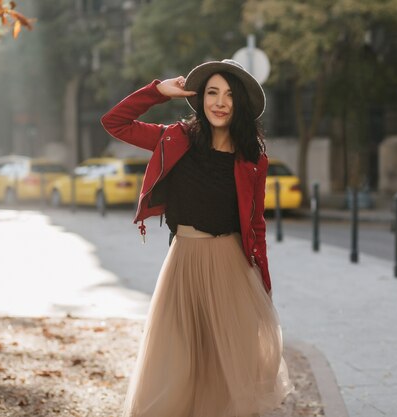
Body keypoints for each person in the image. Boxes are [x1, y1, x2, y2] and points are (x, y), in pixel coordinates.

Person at [101, 59, 292, 417]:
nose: (220, 102)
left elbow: (256, 224)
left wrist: (263, 285)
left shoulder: (253, 158)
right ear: (201, 98)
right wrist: (157, 92)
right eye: (212, 92)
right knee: (177, 365)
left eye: (230, 95)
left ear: (241, 105)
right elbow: (115, 122)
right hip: (183, 263)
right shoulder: (175, 139)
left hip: (231, 266)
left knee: (226, 370)